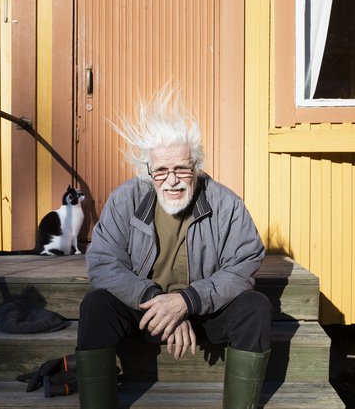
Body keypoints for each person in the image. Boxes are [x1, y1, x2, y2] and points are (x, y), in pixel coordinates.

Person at [76, 88, 272, 409]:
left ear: (197, 167)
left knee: (256, 307)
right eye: (161, 171)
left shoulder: (226, 203)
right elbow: (102, 264)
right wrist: (158, 302)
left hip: (205, 312)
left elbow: (243, 265)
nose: (172, 180)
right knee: (96, 306)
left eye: (182, 168)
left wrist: (186, 301)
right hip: (145, 313)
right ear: (148, 171)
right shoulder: (125, 199)